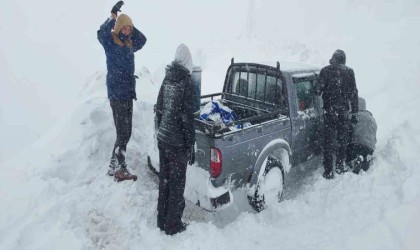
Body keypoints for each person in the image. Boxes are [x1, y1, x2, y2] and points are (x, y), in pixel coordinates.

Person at [97, 4, 147, 182]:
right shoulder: (111, 42)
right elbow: (101, 33)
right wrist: (113, 18)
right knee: (123, 132)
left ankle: (113, 166)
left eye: (129, 28)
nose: (127, 30)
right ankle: (120, 168)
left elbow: (143, 39)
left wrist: (130, 25)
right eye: (124, 27)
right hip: (117, 94)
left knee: (125, 131)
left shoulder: (129, 44)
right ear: (118, 28)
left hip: (127, 93)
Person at [155, 44, 195, 235]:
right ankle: (173, 225)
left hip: (163, 139)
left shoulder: (168, 78)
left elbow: (159, 108)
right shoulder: (186, 82)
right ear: (188, 61)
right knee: (177, 185)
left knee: (165, 181)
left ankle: (161, 219)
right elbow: (187, 118)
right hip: (177, 143)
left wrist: (160, 131)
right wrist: (190, 144)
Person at [317, 49, 359, 179]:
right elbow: (354, 93)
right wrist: (355, 112)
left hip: (329, 112)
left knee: (328, 142)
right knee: (342, 140)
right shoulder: (349, 72)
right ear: (344, 60)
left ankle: (328, 171)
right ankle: (340, 166)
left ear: (333, 58)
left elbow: (317, 90)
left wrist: (319, 87)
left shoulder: (325, 71)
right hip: (343, 113)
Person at [346, 98, 377, 174]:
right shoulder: (372, 120)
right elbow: (374, 139)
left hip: (355, 145)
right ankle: (366, 157)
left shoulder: (352, 117)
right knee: (365, 151)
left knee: (348, 156)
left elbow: (347, 135)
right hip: (369, 147)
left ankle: (354, 160)